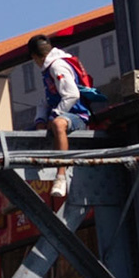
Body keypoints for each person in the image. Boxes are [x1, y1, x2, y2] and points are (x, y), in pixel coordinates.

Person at [29, 33, 96, 206]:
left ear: (35, 57)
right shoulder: (49, 68)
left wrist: (54, 115)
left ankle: (60, 176)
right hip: (63, 115)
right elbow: (45, 100)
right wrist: (40, 121)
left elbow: (72, 95)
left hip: (78, 117)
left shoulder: (57, 66)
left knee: (58, 124)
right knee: (29, 136)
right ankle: (28, 186)